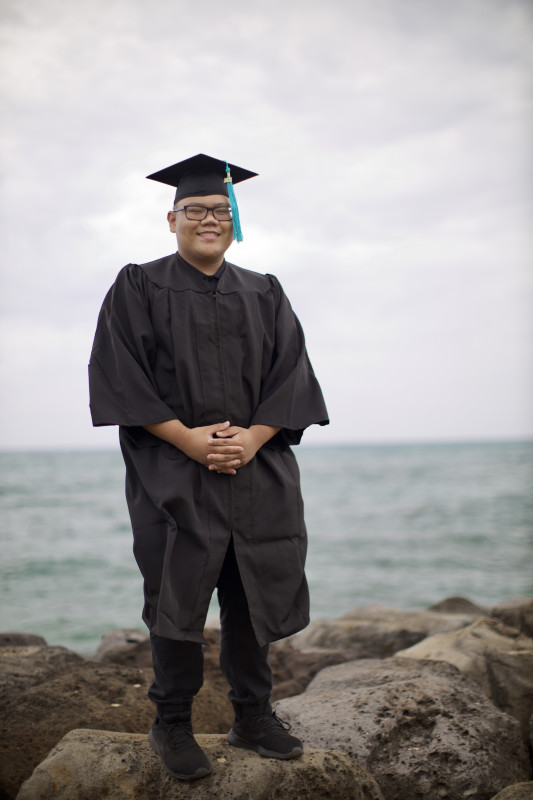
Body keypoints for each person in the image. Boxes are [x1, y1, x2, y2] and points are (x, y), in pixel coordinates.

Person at [88, 153, 328, 781]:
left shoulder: (266, 291)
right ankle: (171, 722)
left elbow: (292, 376)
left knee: (251, 595)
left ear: (234, 221)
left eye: (220, 212)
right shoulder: (137, 285)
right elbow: (122, 379)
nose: (208, 220)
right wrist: (189, 442)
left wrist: (252, 438)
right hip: (173, 473)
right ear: (172, 220)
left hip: (257, 472)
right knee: (177, 593)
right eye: (195, 210)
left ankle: (253, 714)